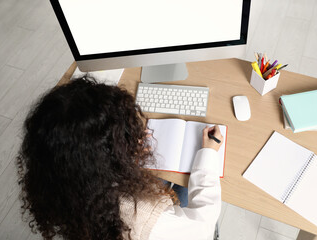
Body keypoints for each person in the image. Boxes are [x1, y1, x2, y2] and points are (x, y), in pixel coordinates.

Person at [17, 77, 223, 240]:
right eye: (130, 137)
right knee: (184, 186)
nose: (143, 136)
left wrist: (123, 156)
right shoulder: (141, 217)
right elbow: (202, 226)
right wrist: (208, 154)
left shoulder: (57, 178)